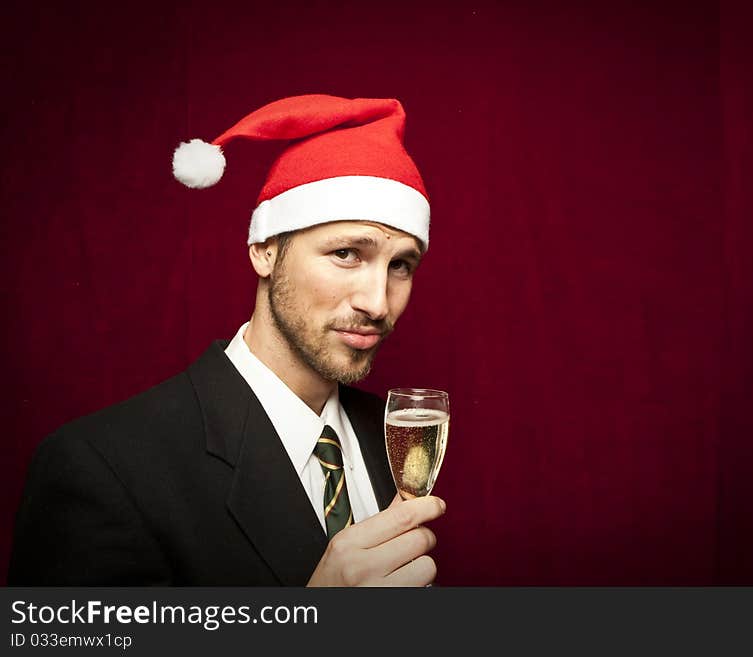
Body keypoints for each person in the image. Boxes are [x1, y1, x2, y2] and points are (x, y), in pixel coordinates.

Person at [8, 94, 446, 586]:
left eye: (400, 265)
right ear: (264, 250)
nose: (378, 303)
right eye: (345, 252)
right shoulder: (101, 468)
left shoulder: (393, 436)